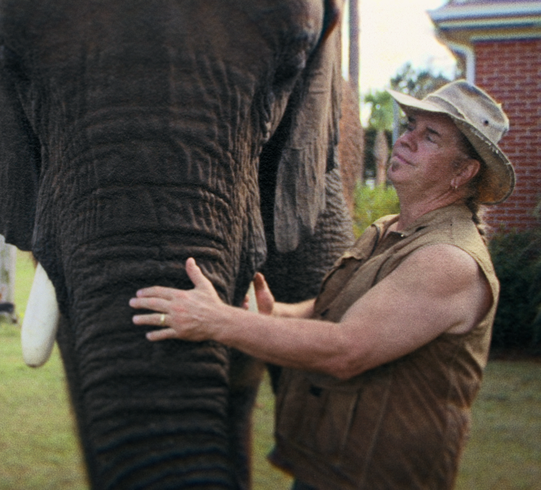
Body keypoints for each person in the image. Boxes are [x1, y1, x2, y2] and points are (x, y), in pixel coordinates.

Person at [129, 79, 514, 489]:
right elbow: (336, 309)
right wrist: (274, 313)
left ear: (464, 172)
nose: (407, 139)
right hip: (332, 465)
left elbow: (346, 349)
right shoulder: (390, 230)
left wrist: (216, 321)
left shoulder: (448, 259)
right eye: (411, 125)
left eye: (431, 136)